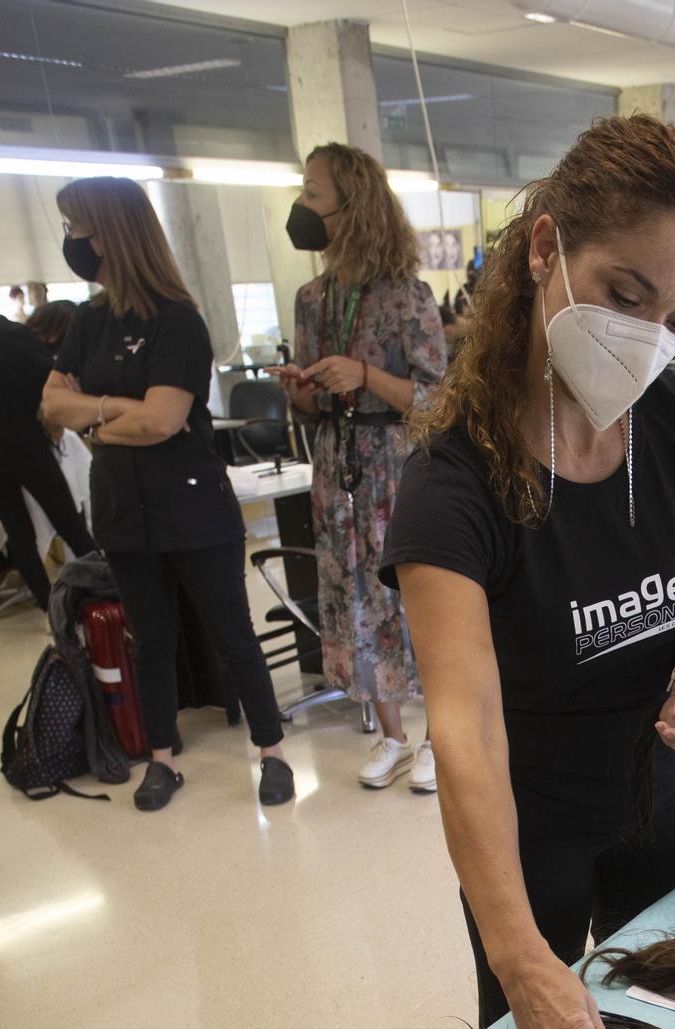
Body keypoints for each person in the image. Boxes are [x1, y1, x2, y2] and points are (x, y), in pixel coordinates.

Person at [379, 113, 675, 1029]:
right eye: (624, 296)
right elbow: (465, 735)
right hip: (528, 833)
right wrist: (520, 957)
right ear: (546, 248)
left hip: (662, 798)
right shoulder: (455, 488)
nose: (648, 341)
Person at [43, 176, 293, 812]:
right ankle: (162, 757)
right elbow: (52, 406)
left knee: (231, 633)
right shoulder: (88, 321)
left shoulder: (177, 321)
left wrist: (94, 416)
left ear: (113, 233)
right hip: (124, 509)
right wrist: (118, 408)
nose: (71, 241)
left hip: (193, 509)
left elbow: (167, 420)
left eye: (78, 228)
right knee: (150, 640)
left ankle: (272, 751)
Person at [278, 143, 447, 792]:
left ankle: (437, 736)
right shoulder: (311, 297)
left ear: (354, 207)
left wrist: (369, 374)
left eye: (314, 192)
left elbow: (443, 399)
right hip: (335, 464)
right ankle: (391, 734)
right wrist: (301, 387)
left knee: (412, 602)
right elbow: (310, 401)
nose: (302, 204)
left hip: (398, 467)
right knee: (351, 598)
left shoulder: (406, 297)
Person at [0, 300, 96, 611]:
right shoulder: (46, 365)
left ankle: (50, 608)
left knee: (19, 533)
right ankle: (107, 589)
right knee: (70, 524)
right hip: (24, 450)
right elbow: (56, 422)